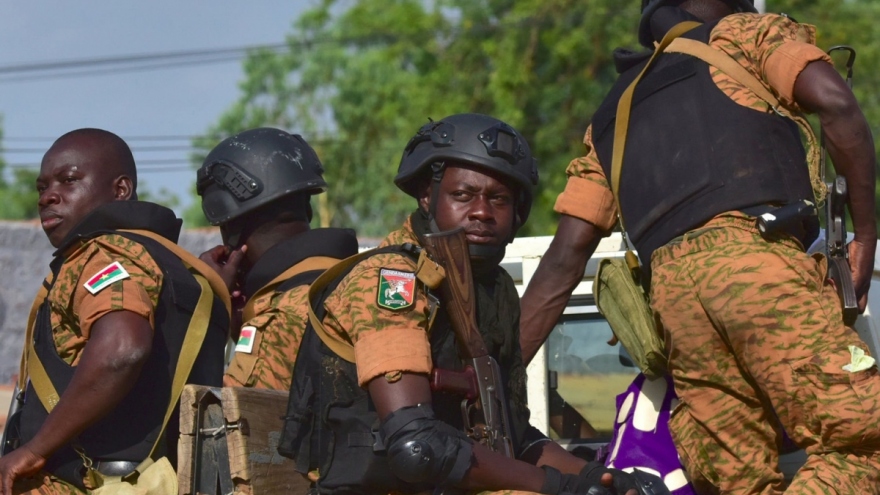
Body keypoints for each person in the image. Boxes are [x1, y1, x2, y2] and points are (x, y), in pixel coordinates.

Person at [519, 0, 879, 493]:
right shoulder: (741, 35)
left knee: (739, 481)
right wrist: (866, 237)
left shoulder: (611, 113)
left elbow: (564, 260)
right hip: (757, 262)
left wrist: (492, 379)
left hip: (676, 309)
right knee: (863, 442)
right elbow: (835, 103)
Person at [277, 113, 643, 495]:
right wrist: (560, 487)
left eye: (498, 199)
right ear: (426, 196)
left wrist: (594, 478)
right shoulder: (391, 279)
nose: (482, 212)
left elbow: (514, 437)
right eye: (463, 196)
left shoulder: (493, 287)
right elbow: (416, 446)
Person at [0, 129, 230, 495]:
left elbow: (122, 349)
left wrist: (32, 450)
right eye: (42, 187)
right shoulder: (173, 266)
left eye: (69, 180)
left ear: (120, 190)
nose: (48, 196)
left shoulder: (102, 253)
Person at [196, 127, 359, 390]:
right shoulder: (352, 280)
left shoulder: (277, 320)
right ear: (307, 209)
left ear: (231, 232)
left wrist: (211, 313)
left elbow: (214, 419)